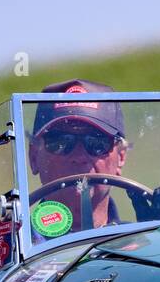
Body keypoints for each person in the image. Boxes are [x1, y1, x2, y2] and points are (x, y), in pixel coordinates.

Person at [28, 79, 130, 238]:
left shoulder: (146, 245)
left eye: (97, 143)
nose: (79, 156)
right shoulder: (3, 255)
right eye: (60, 142)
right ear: (33, 157)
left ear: (121, 157)